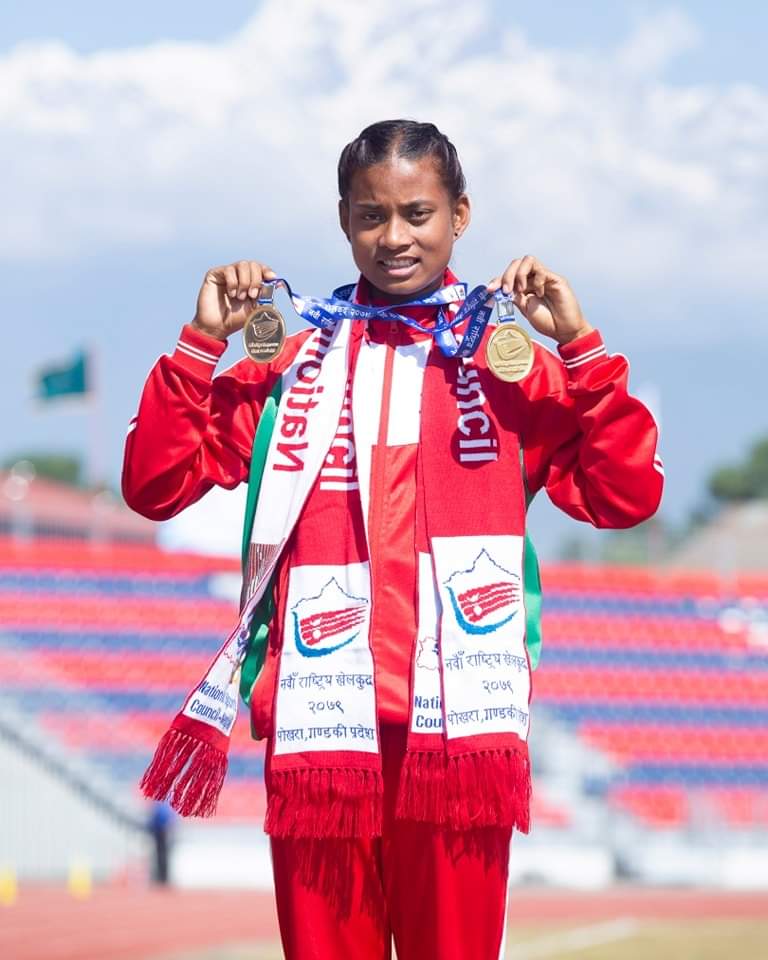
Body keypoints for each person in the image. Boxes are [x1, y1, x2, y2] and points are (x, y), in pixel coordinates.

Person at [123, 119, 663, 960]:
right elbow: (157, 486)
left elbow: (624, 495)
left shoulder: (505, 360)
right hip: (319, 732)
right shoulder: (291, 360)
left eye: (418, 213)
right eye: (372, 216)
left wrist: (581, 347)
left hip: (459, 738)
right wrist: (201, 345)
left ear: (461, 215)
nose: (395, 237)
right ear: (343, 220)